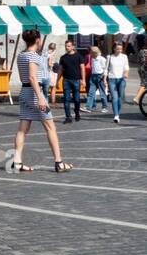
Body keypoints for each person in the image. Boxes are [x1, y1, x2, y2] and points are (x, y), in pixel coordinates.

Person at [12, 29, 73, 173]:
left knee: (22, 129)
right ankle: (59, 162)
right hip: (35, 94)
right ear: (38, 40)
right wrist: (40, 97)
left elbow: (23, 77)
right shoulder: (33, 56)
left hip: (24, 92)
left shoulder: (21, 55)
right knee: (50, 128)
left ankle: (17, 161)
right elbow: (33, 77)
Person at [57, 38, 85, 123]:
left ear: (73, 47)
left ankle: (77, 112)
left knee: (77, 99)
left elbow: (82, 68)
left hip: (76, 80)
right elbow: (60, 70)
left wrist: (83, 80)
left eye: (69, 46)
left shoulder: (79, 56)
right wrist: (57, 81)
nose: (67, 47)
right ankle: (68, 117)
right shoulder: (63, 58)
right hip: (66, 80)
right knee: (66, 100)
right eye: (66, 46)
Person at [107, 40, 129, 124]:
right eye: (118, 49)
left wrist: (126, 73)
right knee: (114, 98)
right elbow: (106, 69)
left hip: (122, 79)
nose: (120, 50)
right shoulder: (109, 57)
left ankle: (118, 113)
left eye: (121, 49)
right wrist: (105, 78)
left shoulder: (124, 56)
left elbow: (126, 67)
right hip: (112, 79)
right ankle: (116, 115)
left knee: (120, 98)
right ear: (114, 49)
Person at [85, 45, 110, 113]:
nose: (90, 55)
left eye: (91, 53)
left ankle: (105, 107)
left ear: (95, 53)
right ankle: (88, 107)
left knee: (102, 93)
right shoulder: (92, 58)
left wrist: (104, 78)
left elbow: (105, 69)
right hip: (93, 76)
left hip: (100, 76)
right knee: (91, 92)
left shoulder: (102, 59)